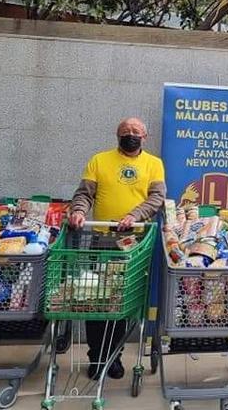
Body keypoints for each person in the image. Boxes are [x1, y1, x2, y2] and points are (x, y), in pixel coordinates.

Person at [69, 117, 166, 379]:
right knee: (96, 300)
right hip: (101, 240)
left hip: (133, 244)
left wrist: (134, 215)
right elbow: (84, 194)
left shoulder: (153, 164)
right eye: (126, 132)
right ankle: (97, 357)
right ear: (117, 135)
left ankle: (115, 356)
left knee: (123, 303)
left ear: (144, 137)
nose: (130, 135)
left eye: (136, 132)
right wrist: (78, 212)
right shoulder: (99, 161)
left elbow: (156, 198)